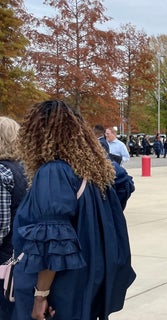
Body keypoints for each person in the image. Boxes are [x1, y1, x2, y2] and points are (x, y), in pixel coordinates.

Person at [12, 100, 136, 320]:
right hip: (94, 273)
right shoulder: (99, 169)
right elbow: (125, 186)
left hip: (62, 284)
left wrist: (40, 296)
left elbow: (53, 242)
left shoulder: (54, 172)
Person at [0, 117, 27, 319]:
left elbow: (1, 226)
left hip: (4, 258)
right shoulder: (27, 170)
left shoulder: (2, 172)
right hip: (22, 257)